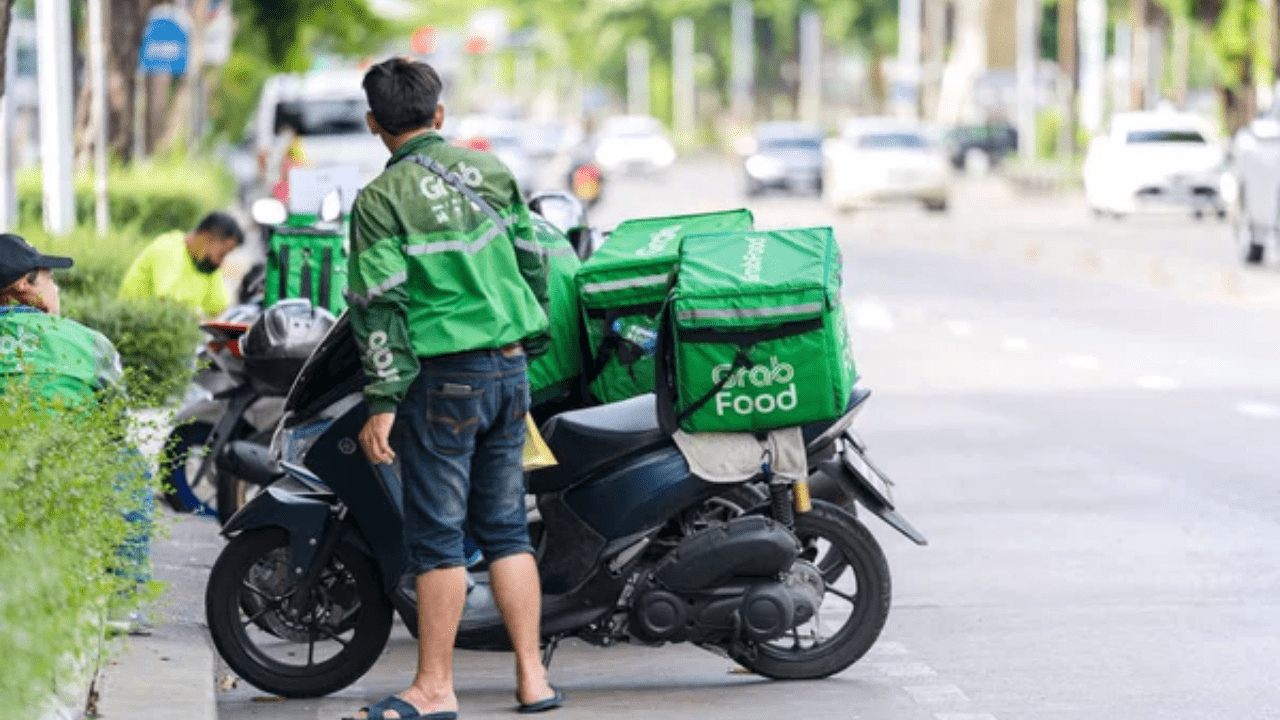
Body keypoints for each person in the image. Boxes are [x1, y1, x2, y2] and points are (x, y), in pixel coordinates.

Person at [345, 58, 561, 720]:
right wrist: (534, 337)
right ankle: (533, 680)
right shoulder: (490, 172)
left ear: (374, 125)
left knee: (438, 538)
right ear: (439, 116)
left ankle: (435, 687)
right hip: (509, 369)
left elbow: (379, 304)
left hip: (444, 380)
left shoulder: (380, 201)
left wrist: (382, 401)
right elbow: (533, 260)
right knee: (506, 532)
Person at [0, 233, 152, 626]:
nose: (57, 288)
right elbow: (115, 419)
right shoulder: (88, 343)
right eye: (50, 279)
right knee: (129, 467)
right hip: (70, 467)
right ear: (25, 287)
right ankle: (121, 600)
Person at [117, 211, 244, 317]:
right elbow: (167, 304)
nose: (222, 262)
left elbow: (219, 309)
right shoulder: (168, 249)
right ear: (206, 237)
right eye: (222, 254)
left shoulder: (207, 266)